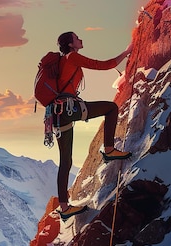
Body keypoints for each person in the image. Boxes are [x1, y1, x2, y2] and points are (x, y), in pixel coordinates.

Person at [53, 31, 133, 220]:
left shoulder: (63, 60)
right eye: (77, 38)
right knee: (111, 108)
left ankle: (64, 207)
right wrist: (127, 51)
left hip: (56, 115)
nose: (80, 40)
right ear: (71, 45)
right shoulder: (73, 57)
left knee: (65, 161)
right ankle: (109, 149)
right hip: (69, 109)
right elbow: (103, 65)